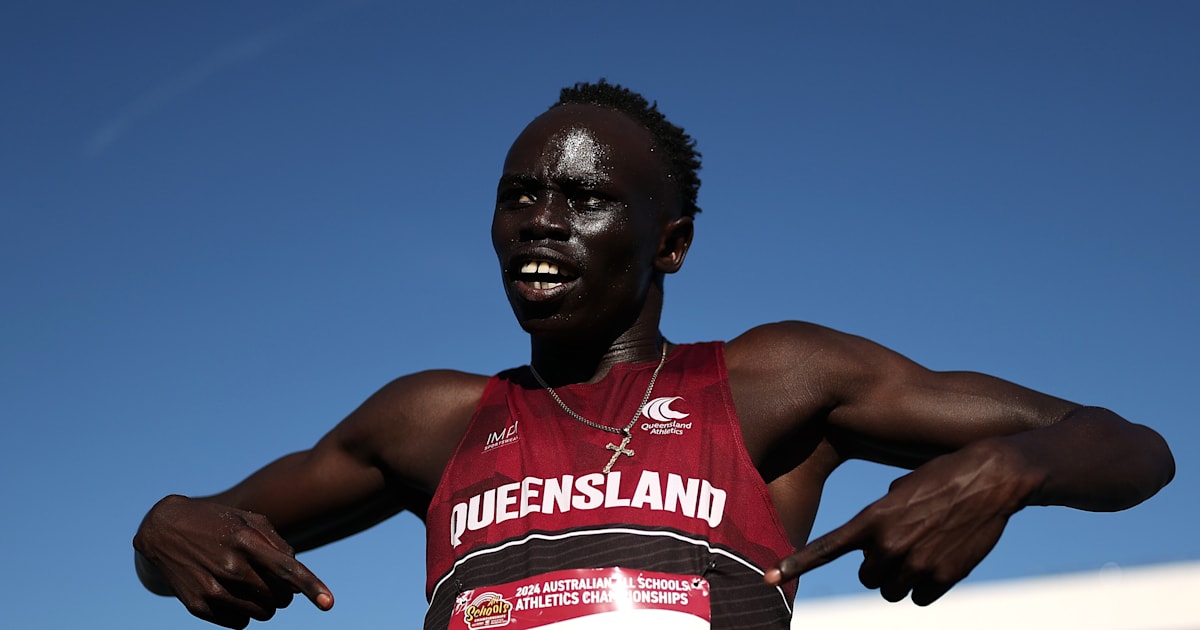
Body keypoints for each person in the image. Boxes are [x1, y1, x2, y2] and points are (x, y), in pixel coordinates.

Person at [133, 80, 1174, 630]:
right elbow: (197, 528)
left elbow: (1135, 451)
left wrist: (1006, 472)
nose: (541, 222)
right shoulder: (433, 420)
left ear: (669, 243)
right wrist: (160, 528)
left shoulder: (776, 382)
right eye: (519, 196)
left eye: (583, 199)